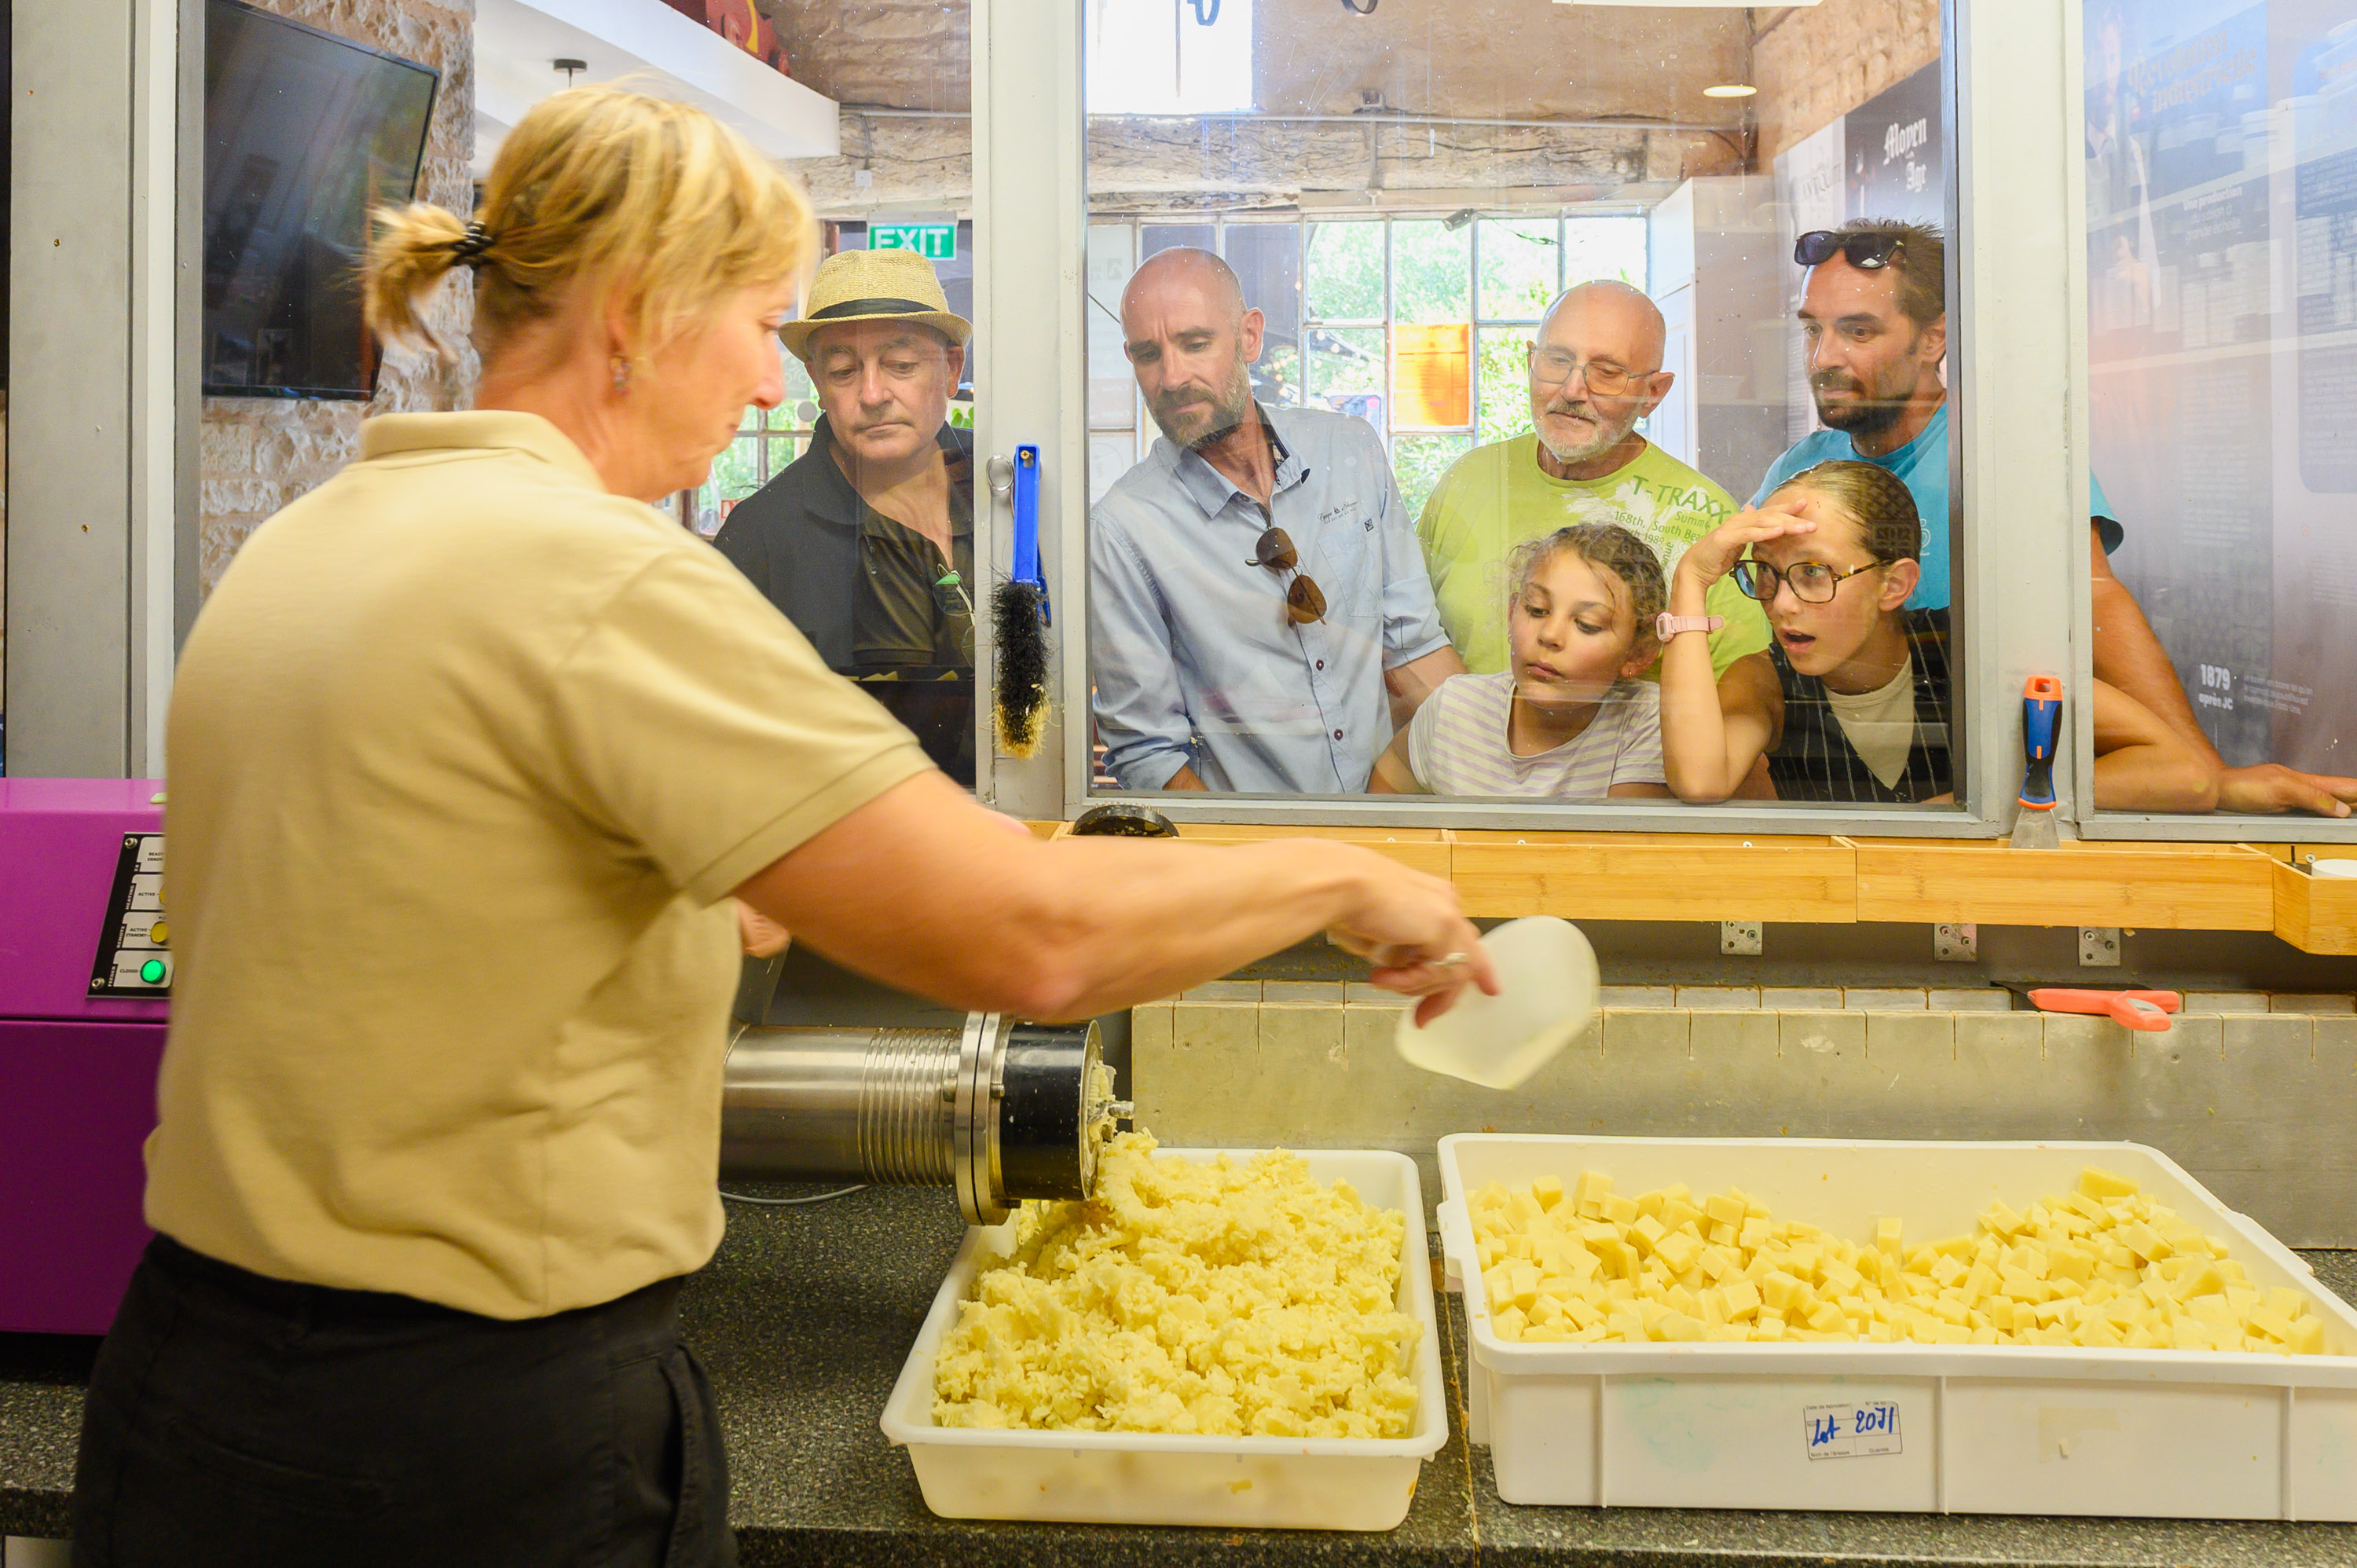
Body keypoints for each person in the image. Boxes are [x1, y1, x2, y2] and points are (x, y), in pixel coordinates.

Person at [70, 89, 1492, 1568]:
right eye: (759, 325)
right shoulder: (601, 579)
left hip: (192, 1383)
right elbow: (1035, 938)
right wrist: (1343, 871)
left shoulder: (304, 544)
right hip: (458, 1438)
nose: (769, 387)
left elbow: (459, 903)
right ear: (634, 313)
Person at [1757, 219, 2356, 815]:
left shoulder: (2003, 454)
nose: (1823, 357)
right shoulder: (1798, 471)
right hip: (1852, 781)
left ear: (1935, 337)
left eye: (1858, 332)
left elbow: (2097, 603)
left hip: (1994, 794)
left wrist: (2212, 780)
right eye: (1813, 329)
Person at [1090, 247, 1464, 793]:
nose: (1171, 377)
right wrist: (1248, 870)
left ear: (1249, 337)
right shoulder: (1124, 527)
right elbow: (1149, 755)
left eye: (1196, 344)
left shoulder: (1350, 449)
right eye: (1149, 354)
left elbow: (1414, 648)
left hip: (1388, 821)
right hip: (1252, 851)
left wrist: (1504, 787)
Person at [1660, 460, 2215, 811]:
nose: (1780, 604)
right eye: (1767, 574)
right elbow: (1701, 780)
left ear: (1894, 584)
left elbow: (2185, 775)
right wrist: (1691, 578)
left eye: (1814, 573)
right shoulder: (1764, 682)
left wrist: (1967, 806)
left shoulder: (1971, 654)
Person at [1416, 280, 1769, 685]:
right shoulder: (1470, 479)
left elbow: (1746, 692)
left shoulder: (1703, 514)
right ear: (1531, 360)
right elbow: (1404, 638)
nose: (1572, 389)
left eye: (1607, 372)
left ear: (1654, 393)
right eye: (1557, 360)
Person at [713, 249, 977, 783]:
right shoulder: (760, 539)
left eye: (901, 366)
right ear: (816, 381)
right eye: (843, 370)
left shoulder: (1012, 489)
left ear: (951, 369)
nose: (873, 395)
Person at [1370, 522, 1669, 800]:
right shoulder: (1453, 707)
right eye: (1537, 610)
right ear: (1512, 614)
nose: (1550, 635)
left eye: (1587, 624)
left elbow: (1617, 850)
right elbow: (1378, 815)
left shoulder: (1647, 721)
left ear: (1639, 653)